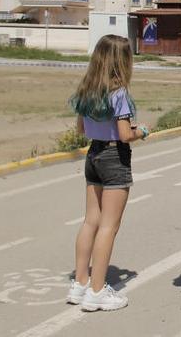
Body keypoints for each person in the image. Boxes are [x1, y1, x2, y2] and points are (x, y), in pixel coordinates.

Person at [66, 34, 149, 311]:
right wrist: (143, 131)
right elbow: (125, 134)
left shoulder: (87, 89)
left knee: (91, 220)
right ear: (122, 61)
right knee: (109, 226)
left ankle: (80, 283)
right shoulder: (119, 93)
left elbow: (81, 129)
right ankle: (98, 290)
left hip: (94, 154)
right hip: (115, 156)